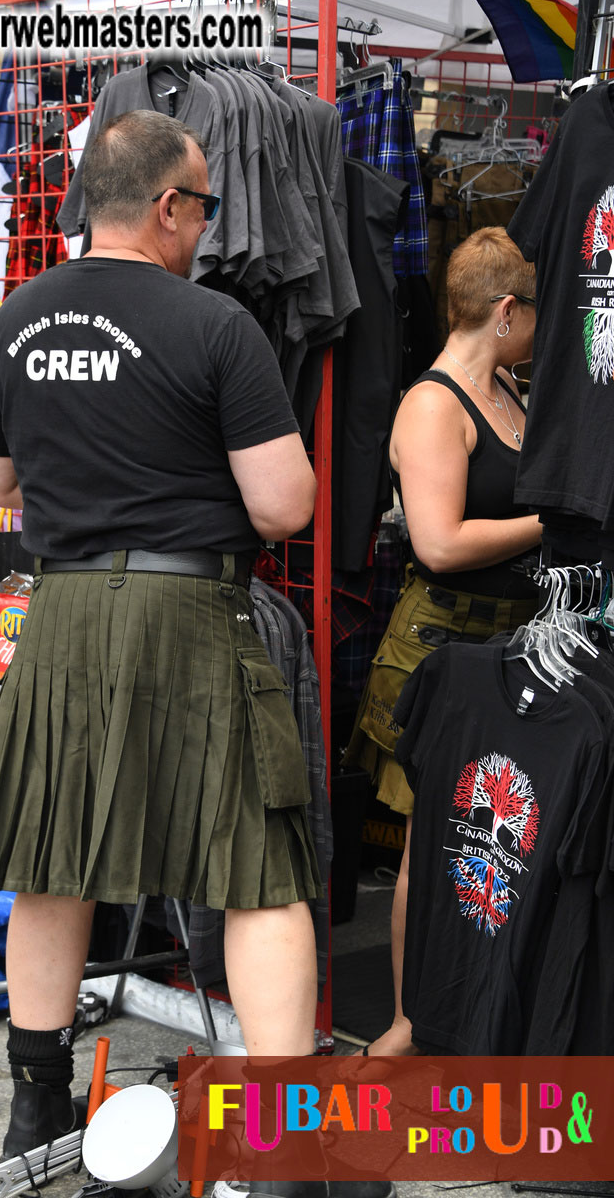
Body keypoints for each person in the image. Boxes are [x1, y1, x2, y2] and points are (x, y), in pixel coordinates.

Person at [0, 111, 390, 1198]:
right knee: (258, 876)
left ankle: (38, 1111)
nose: (205, 228)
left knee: (52, 860)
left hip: (62, 616)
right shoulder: (214, 324)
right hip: (189, 612)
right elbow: (285, 506)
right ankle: (284, 1154)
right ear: (165, 206)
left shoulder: (19, 315)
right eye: (202, 208)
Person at [344, 226, 542, 1058]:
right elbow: (440, 542)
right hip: (440, 649)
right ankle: (406, 1024)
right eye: (533, 315)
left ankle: (480, 1013)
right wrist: (551, 521)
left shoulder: (507, 388)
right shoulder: (434, 405)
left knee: (495, 836)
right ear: (506, 310)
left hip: (511, 643)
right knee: (432, 846)